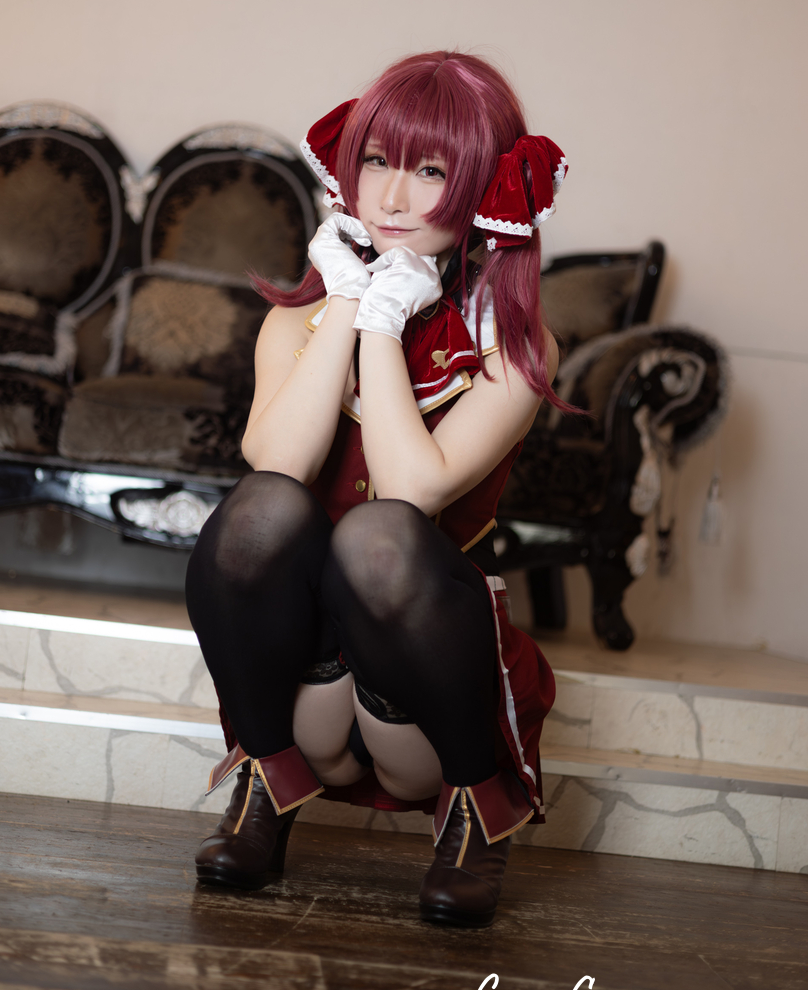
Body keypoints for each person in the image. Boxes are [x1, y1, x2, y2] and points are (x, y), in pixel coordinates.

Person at [185, 50, 569, 928]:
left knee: (377, 537)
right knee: (258, 512)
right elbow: (276, 463)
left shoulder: (513, 344)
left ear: (481, 188)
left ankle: (473, 811)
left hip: (423, 685)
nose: (391, 197)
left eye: (429, 171)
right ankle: (263, 783)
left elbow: (410, 490)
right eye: (375, 161)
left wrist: (389, 325)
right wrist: (349, 306)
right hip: (305, 681)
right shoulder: (297, 320)